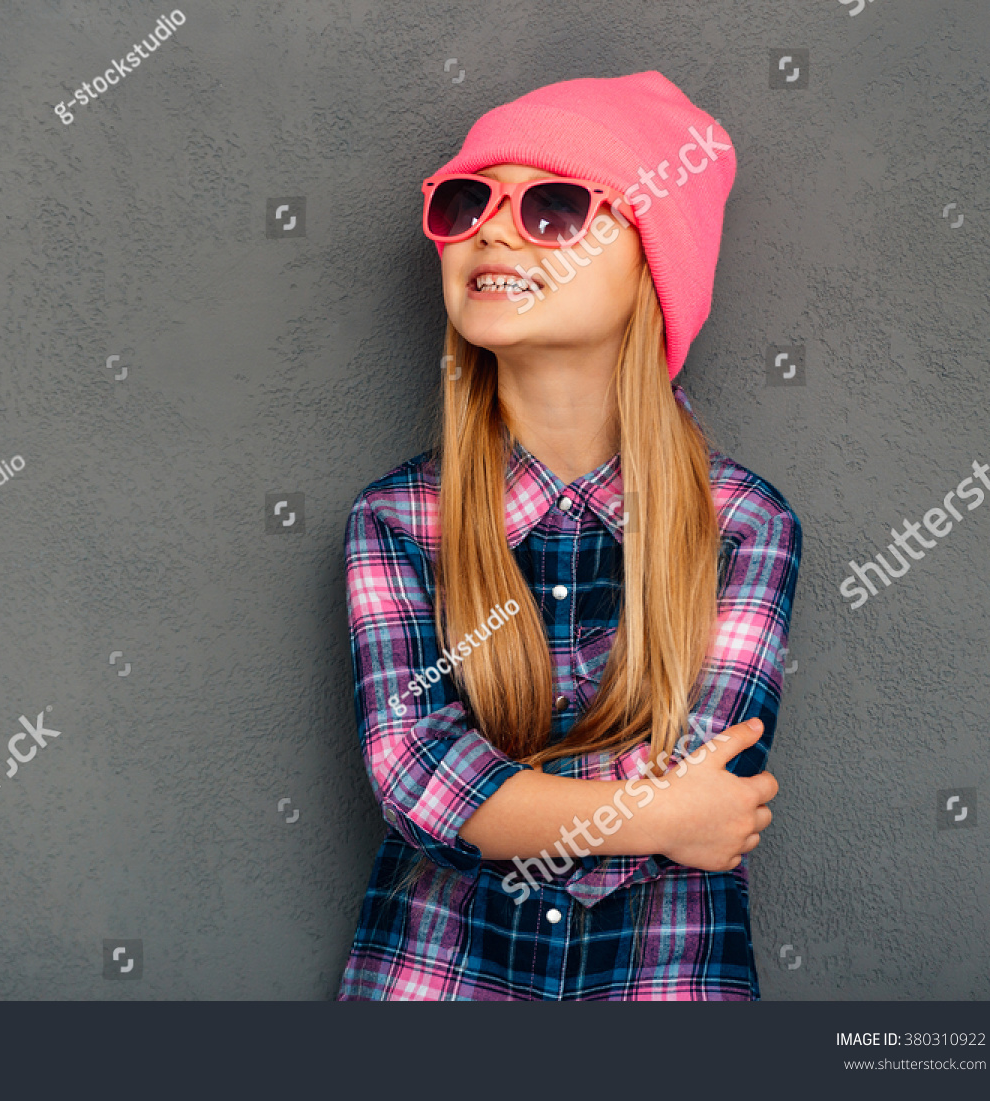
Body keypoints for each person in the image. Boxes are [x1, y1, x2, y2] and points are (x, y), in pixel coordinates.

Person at [337, 71, 802, 1000]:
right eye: (467, 202)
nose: (494, 230)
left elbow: (707, 778)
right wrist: (652, 818)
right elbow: (414, 774)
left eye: (552, 206)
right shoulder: (395, 519)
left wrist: (502, 809)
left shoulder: (744, 525)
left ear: (653, 267)